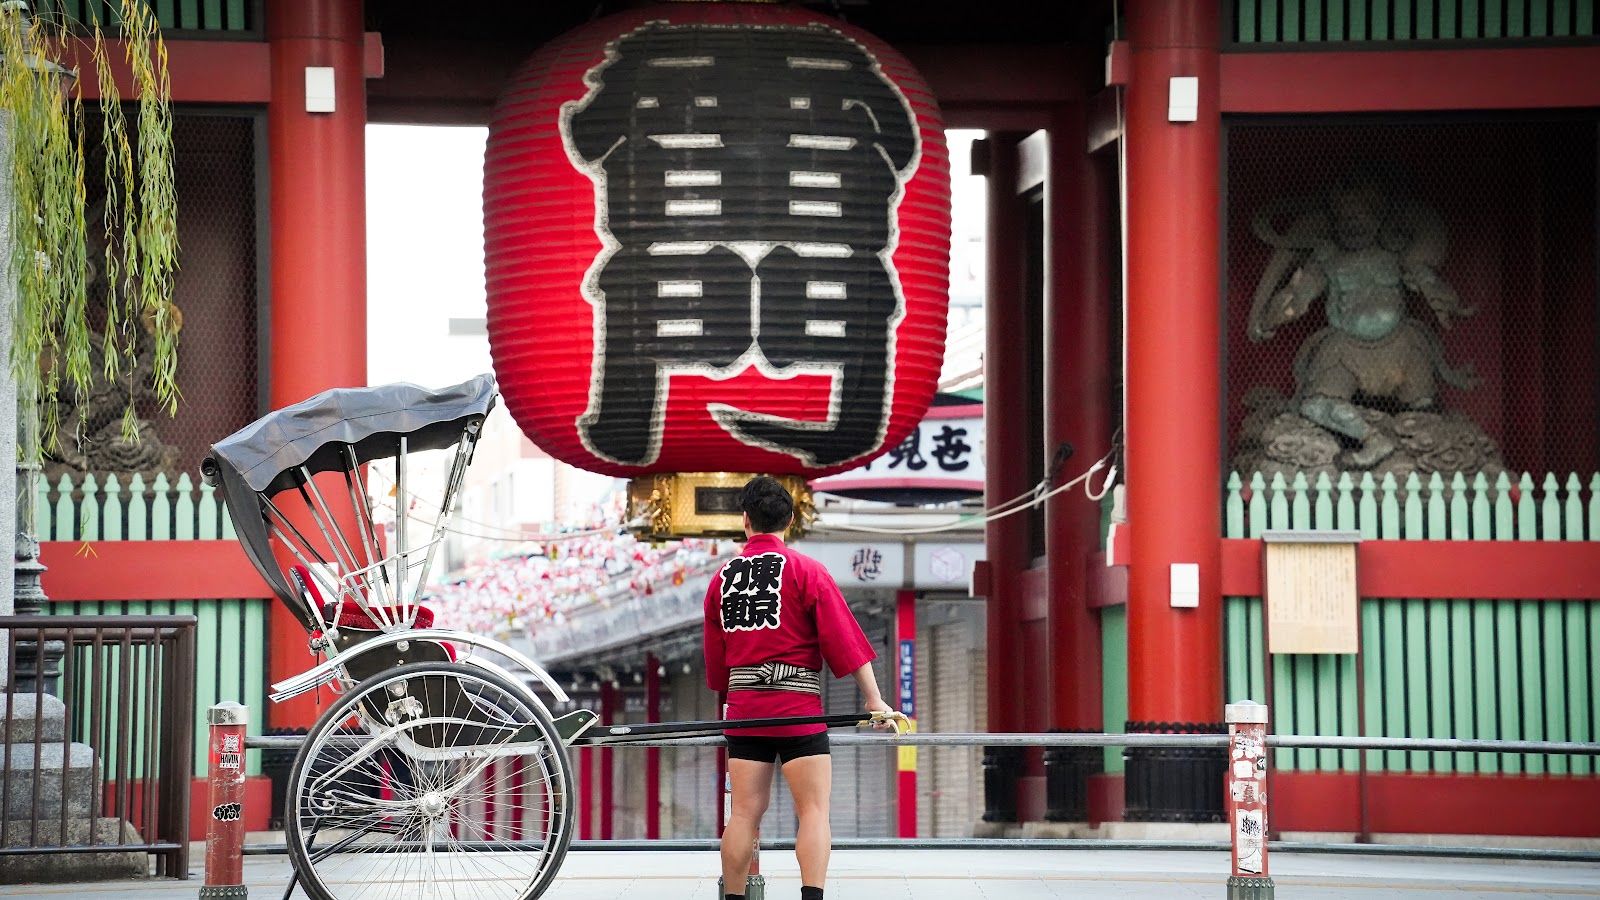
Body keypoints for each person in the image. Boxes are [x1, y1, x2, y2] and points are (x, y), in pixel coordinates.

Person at [703, 476, 893, 900]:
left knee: (744, 816)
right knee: (813, 811)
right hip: (799, 710)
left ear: (745, 520)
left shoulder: (723, 578)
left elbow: (717, 668)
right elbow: (844, 640)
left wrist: (732, 699)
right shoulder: (808, 571)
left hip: (746, 710)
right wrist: (874, 699)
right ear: (790, 519)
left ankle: (733, 898)